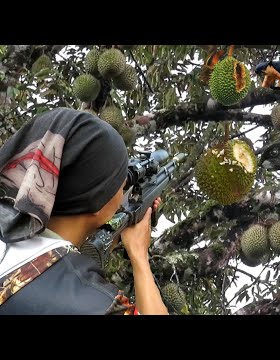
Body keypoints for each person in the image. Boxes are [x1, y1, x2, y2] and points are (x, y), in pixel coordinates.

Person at [0, 107, 169, 315]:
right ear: (97, 200)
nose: (122, 189)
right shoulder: (94, 302)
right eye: (119, 183)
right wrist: (139, 256)